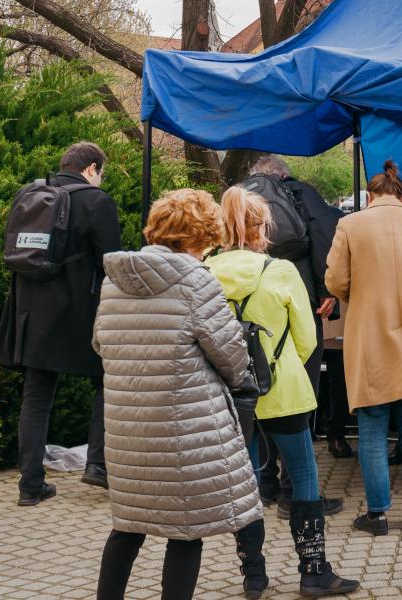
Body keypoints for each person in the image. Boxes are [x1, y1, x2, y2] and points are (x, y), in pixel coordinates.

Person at [92, 188, 261, 600]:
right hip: (186, 430)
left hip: (127, 430)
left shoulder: (113, 281)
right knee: (186, 531)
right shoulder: (196, 282)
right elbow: (232, 359)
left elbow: (100, 343)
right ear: (201, 235)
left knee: (128, 526)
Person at [206, 187, 359, 598]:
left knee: (249, 482)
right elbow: (308, 339)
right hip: (283, 388)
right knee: (305, 477)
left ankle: (254, 575)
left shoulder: (205, 270)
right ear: (264, 228)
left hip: (229, 395)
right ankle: (314, 570)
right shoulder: (281, 270)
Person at [0, 141, 122, 505]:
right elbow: (111, 263)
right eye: (102, 173)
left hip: (30, 312)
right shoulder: (98, 202)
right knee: (106, 383)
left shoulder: (31, 195)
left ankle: (30, 485)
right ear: (92, 168)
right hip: (80, 314)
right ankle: (98, 465)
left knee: (36, 396)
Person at [325, 159, 402, 536]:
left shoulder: (350, 224)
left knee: (371, 427)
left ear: (370, 196)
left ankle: (378, 515)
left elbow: (336, 281)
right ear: (401, 194)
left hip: (370, 337)